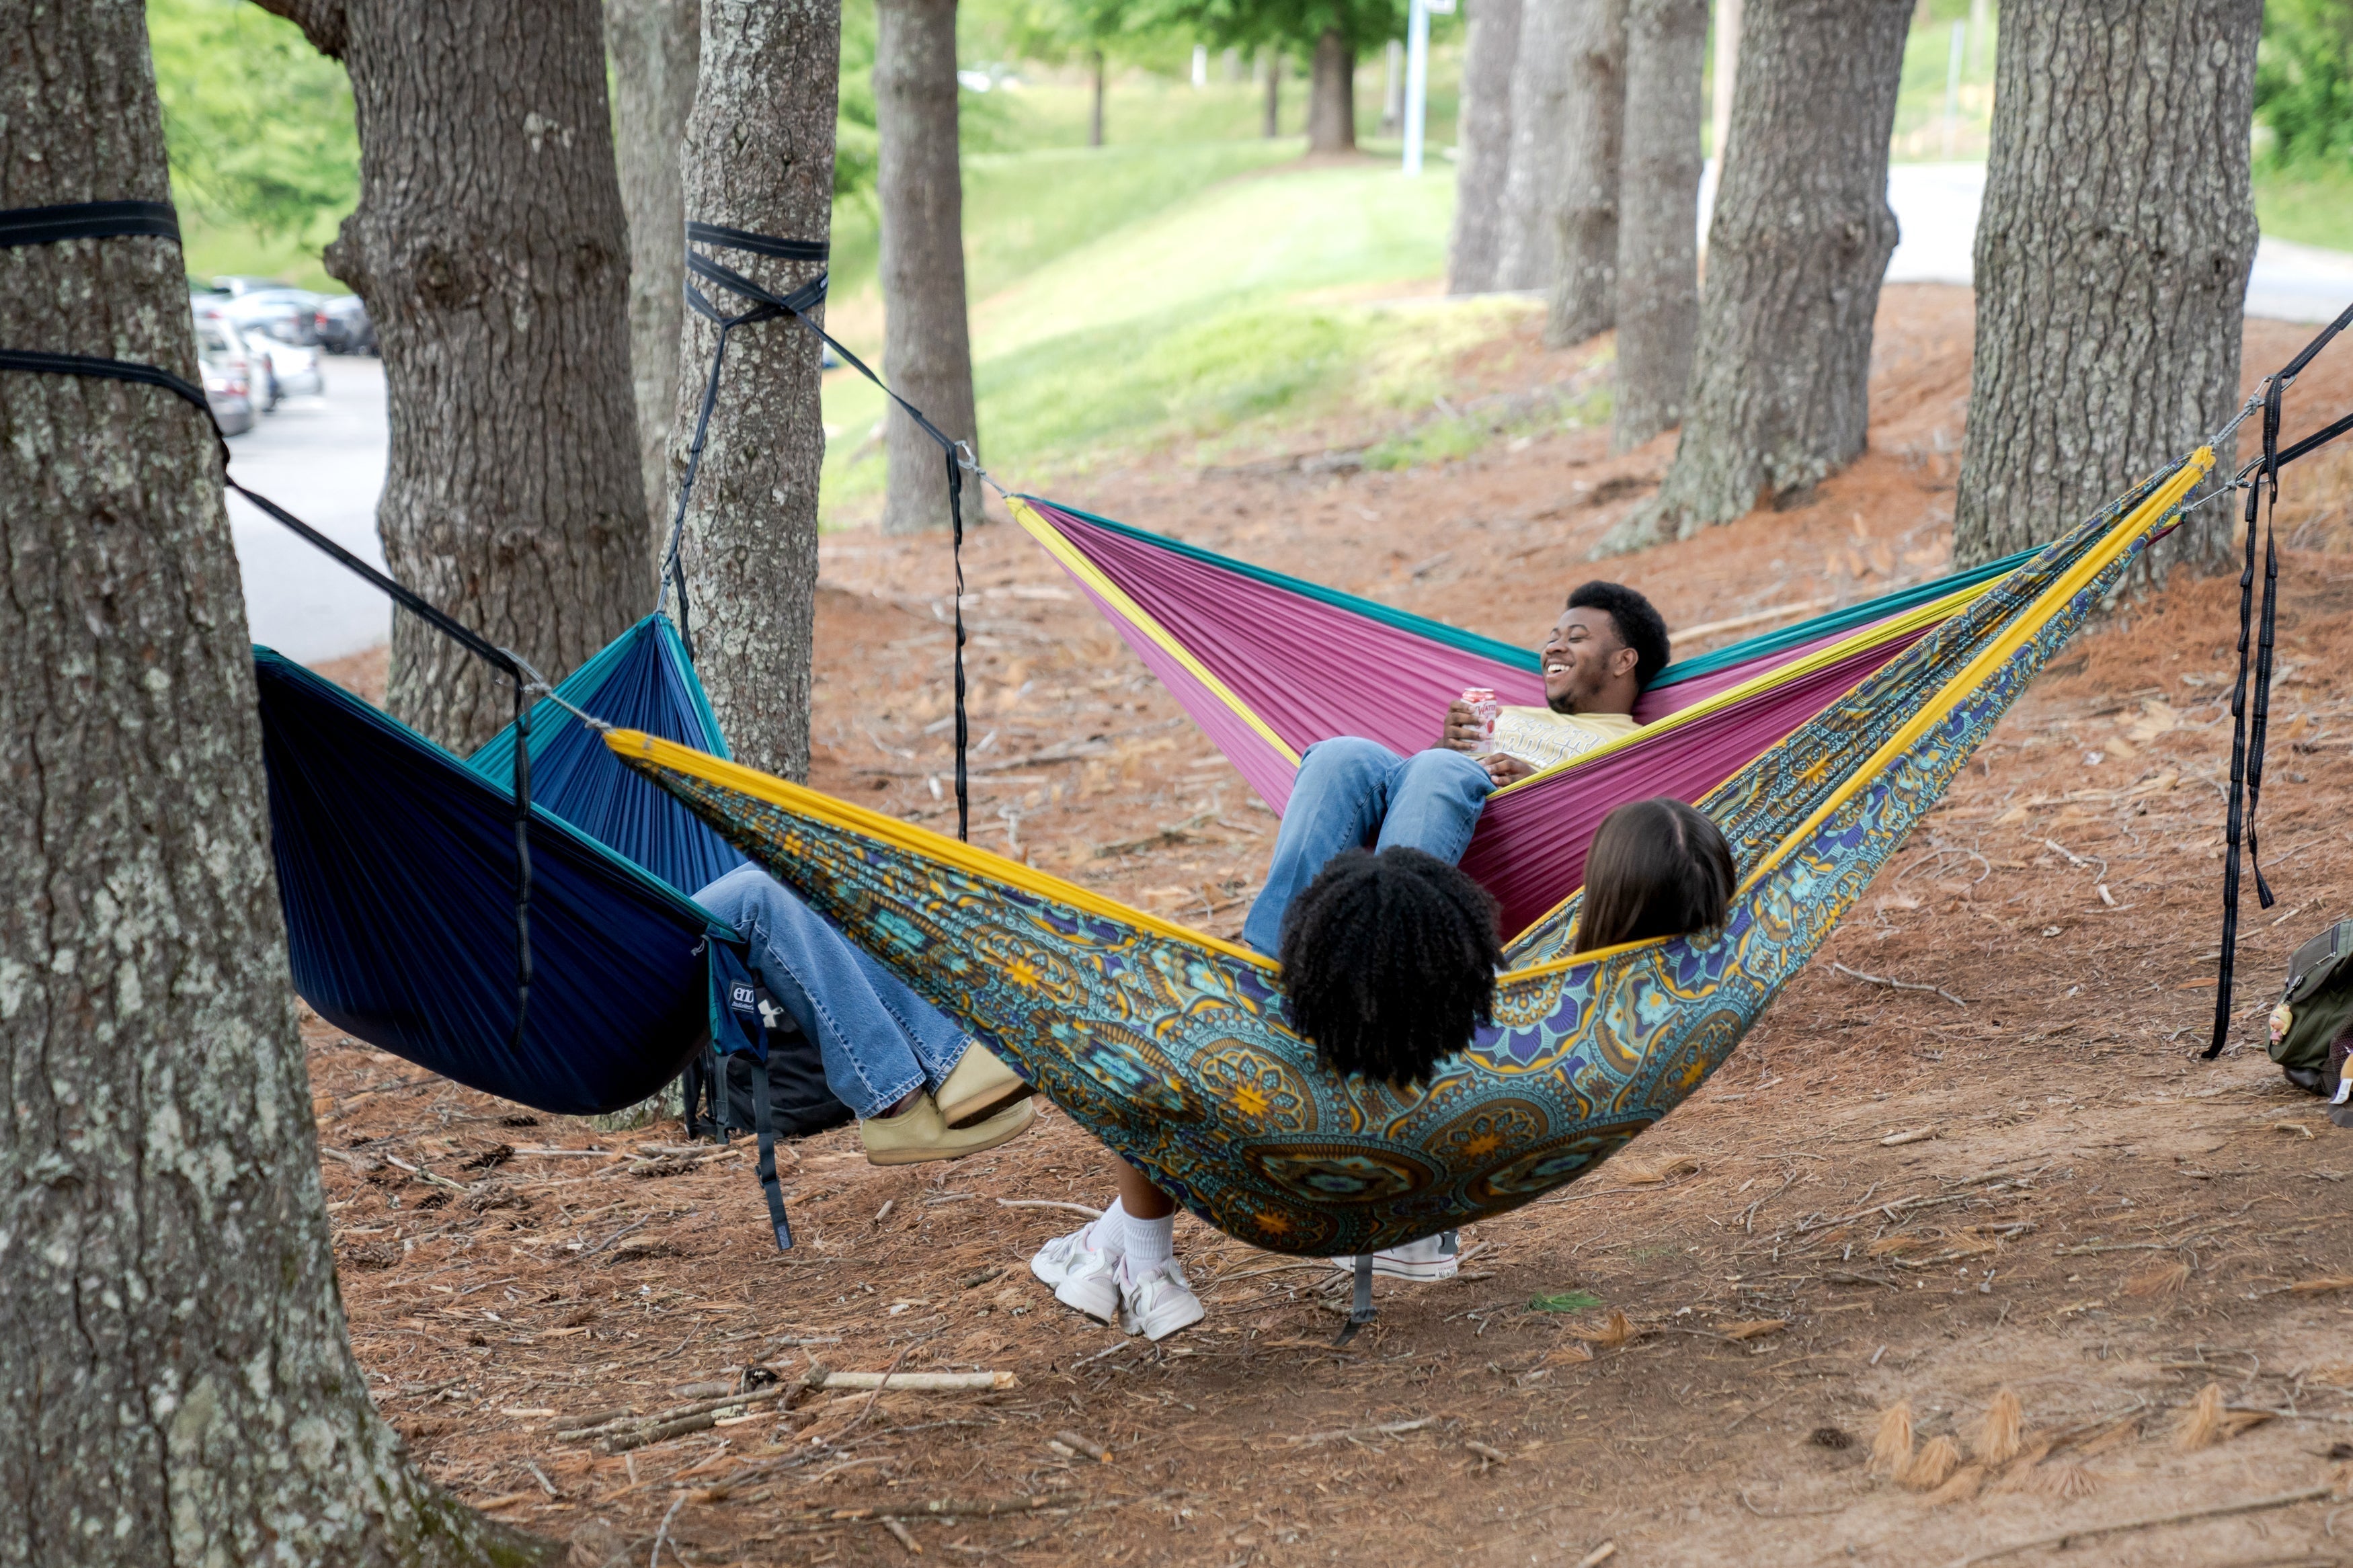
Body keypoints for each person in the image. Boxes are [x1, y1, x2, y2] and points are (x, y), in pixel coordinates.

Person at [694, 864, 1035, 1165]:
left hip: (643, 930)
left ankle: (949, 1060)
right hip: (641, 963)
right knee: (756, 897)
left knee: (795, 862)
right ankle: (895, 1102)